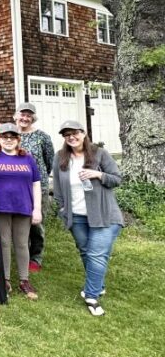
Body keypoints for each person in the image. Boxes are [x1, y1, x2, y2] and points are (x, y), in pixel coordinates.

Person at [52, 120, 123, 317]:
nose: (71, 137)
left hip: (104, 215)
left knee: (96, 254)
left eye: (74, 133)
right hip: (76, 216)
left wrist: (98, 174)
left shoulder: (99, 153)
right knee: (86, 252)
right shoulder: (60, 158)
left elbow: (117, 178)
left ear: (83, 133)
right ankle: (98, 285)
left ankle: (91, 296)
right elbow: (57, 186)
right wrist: (63, 207)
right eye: (67, 134)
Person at [0, 123, 42, 300]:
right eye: (5, 137)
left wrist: (37, 209)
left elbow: (36, 184)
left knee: (22, 243)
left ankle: (24, 280)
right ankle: (4, 279)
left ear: (17, 140)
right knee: (3, 242)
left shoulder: (27, 158)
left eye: (12, 137)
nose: (8, 140)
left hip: (23, 206)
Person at [14, 102, 55, 271]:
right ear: (16, 116)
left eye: (28, 115)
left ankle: (35, 257)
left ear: (33, 118)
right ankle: (21, 254)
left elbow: (49, 161)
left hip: (39, 186)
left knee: (36, 222)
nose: (25, 118)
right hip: (16, 186)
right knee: (19, 221)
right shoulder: (9, 135)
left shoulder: (42, 137)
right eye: (22, 115)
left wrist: (39, 176)